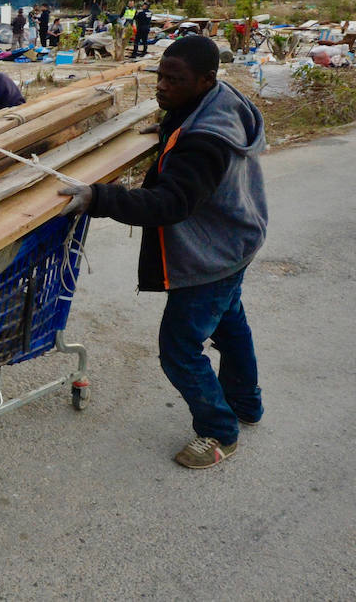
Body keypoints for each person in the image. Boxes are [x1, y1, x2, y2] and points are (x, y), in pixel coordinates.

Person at [58, 35, 267, 469]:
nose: (163, 87)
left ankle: (220, 432)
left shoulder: (206, 141)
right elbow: (186, 128)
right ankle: (246, 405)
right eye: (162, 76)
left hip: (210, 255)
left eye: (177, 81)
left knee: (179, 347)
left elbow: (169, 204)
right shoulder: (215, 102)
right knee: (229, 325)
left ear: (206, 80)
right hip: (237, 240)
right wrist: (172, 128)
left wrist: (100, 198)